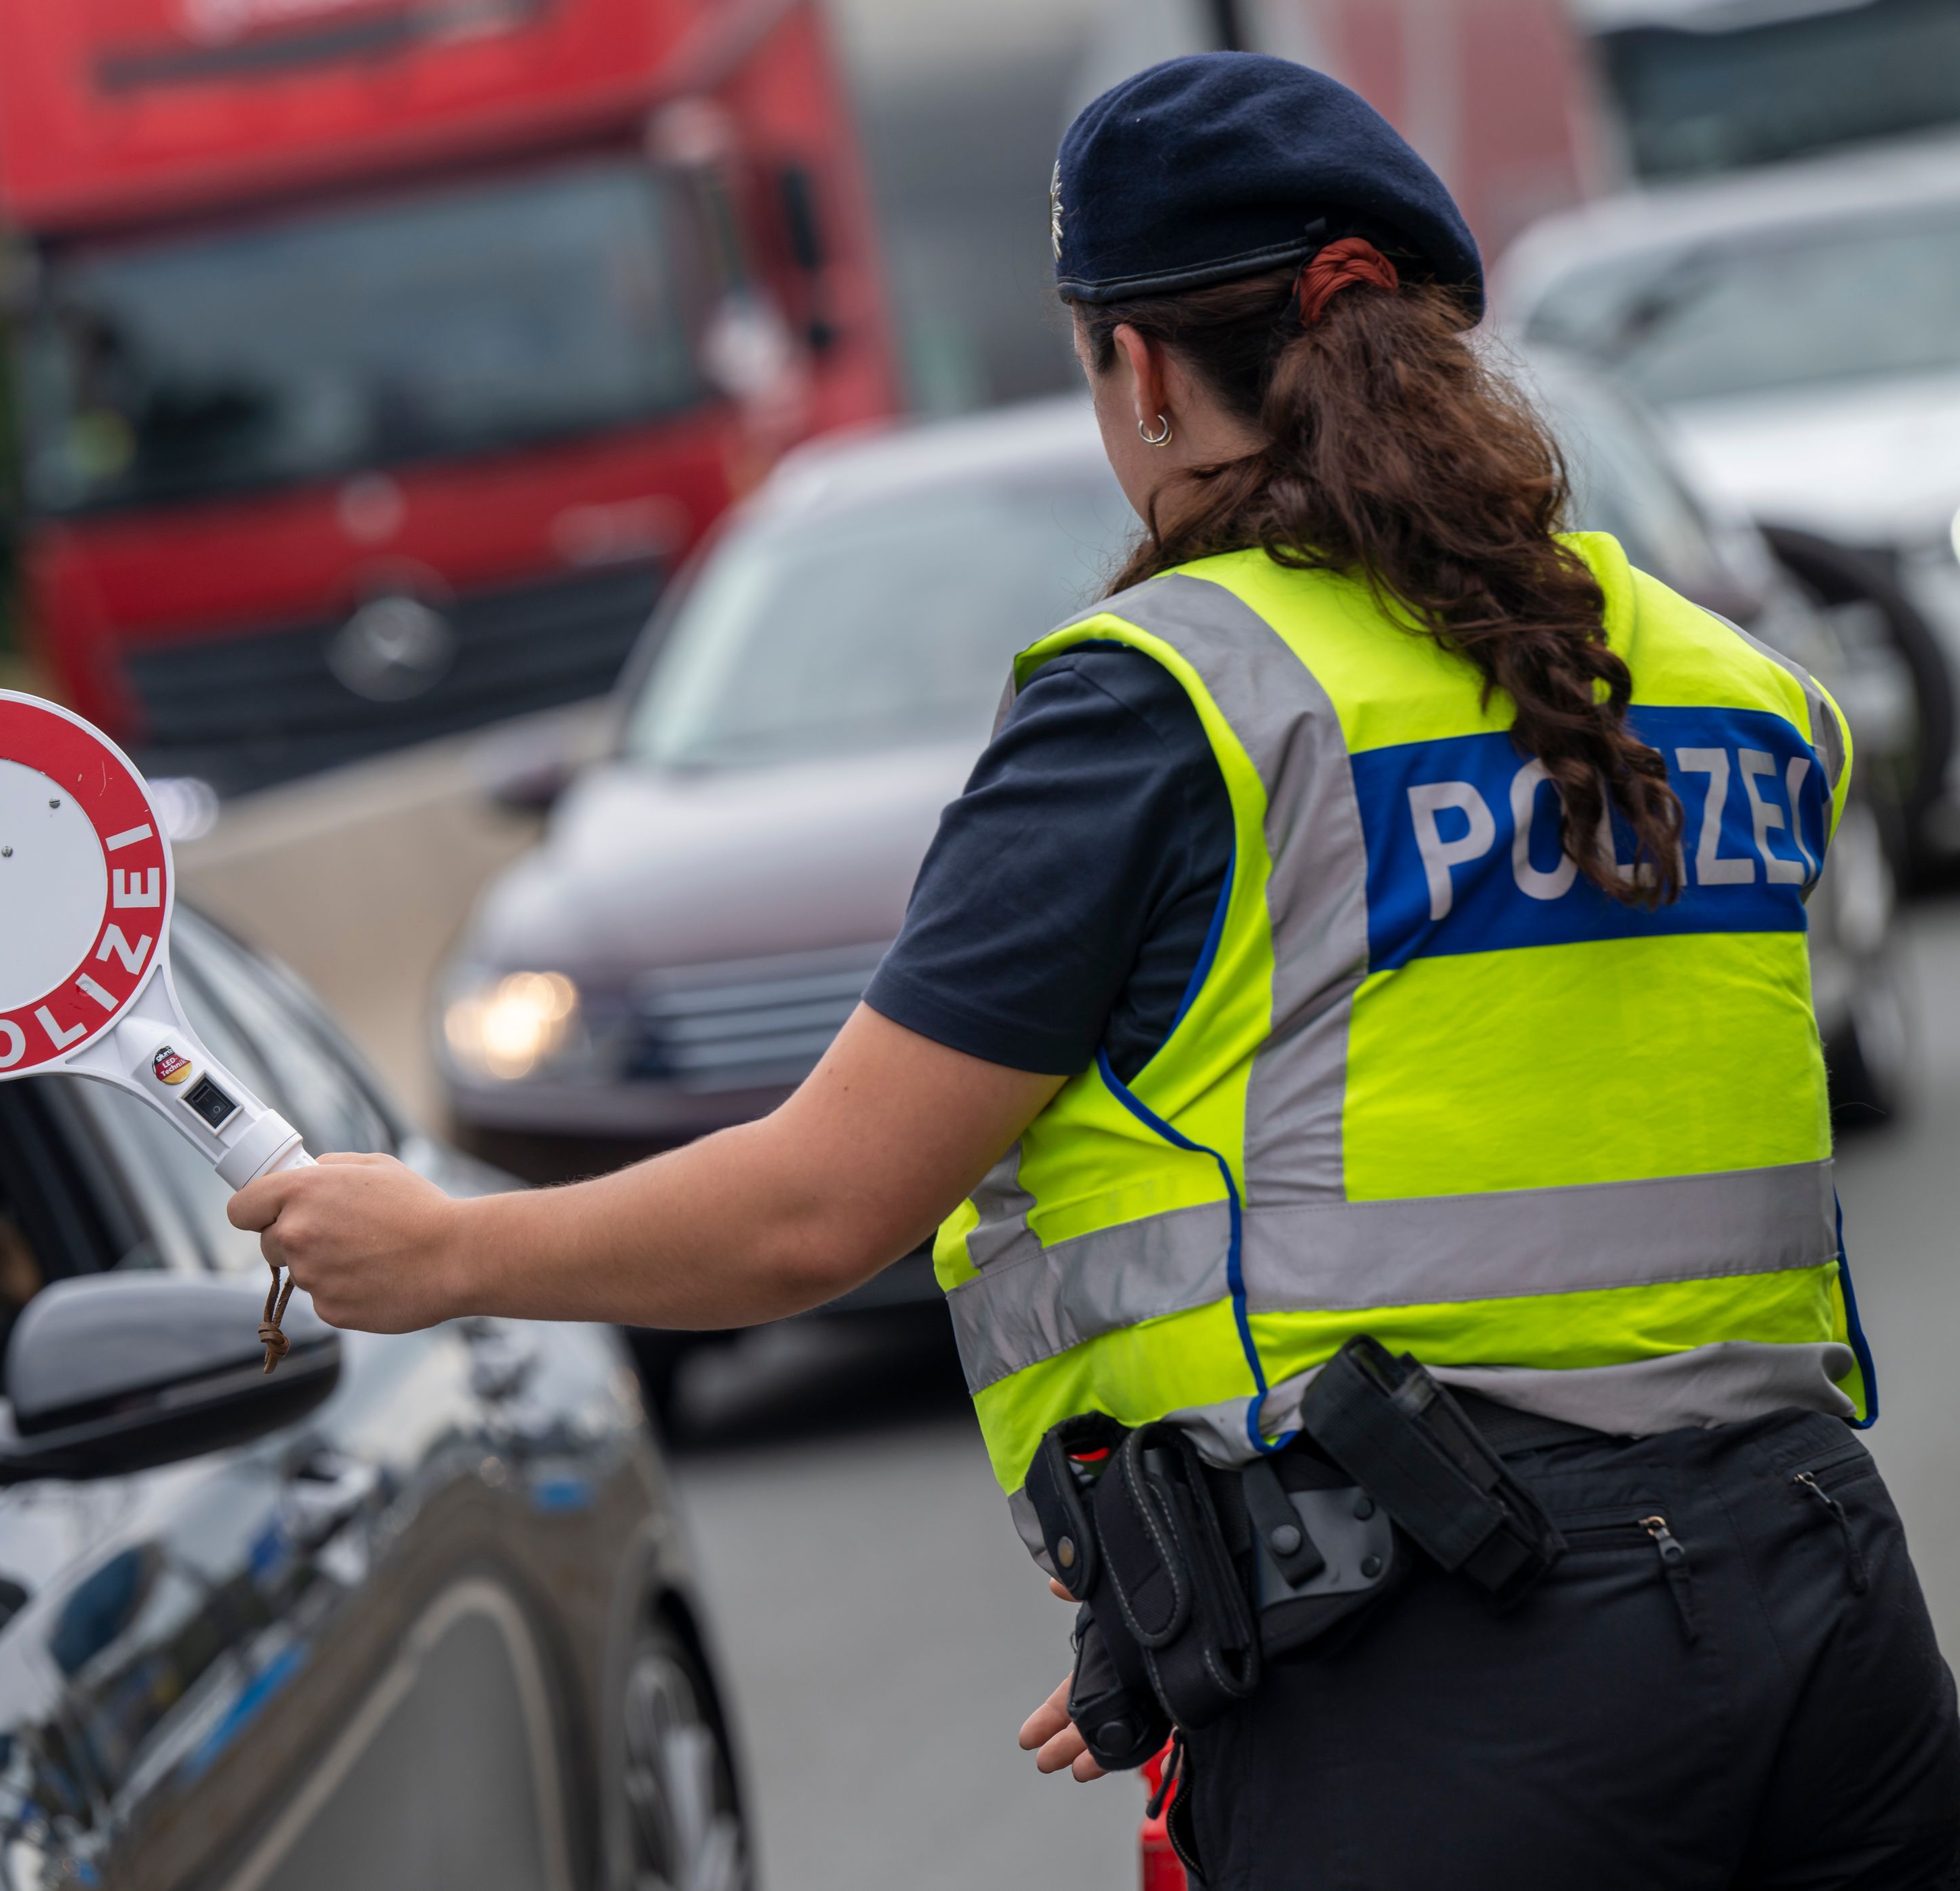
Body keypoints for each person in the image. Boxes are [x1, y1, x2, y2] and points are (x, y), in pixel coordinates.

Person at [231, 52, 1960, 1886]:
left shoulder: (1168, 698)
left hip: (1465, 1678)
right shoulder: (1725, 679)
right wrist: (1208, 1563)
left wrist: (443, 1251)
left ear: (1135, 365)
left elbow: (822, 1210)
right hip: (1825, 1608)